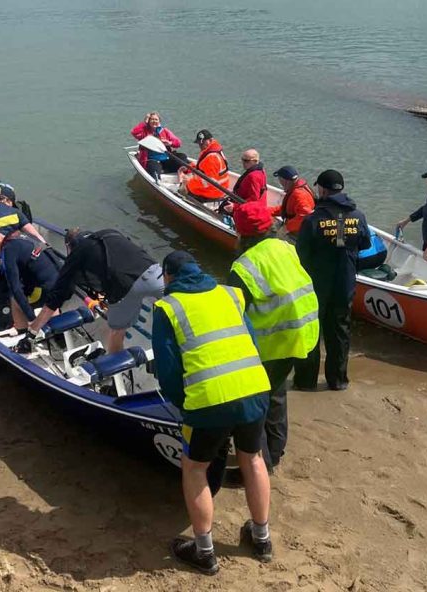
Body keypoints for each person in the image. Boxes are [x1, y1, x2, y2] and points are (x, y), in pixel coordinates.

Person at [152, 250, 273, 574]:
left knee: (195, 468)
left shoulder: (167, 307)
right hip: (254, 387)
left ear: (168, 276)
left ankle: (204, 551)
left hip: (208, 399)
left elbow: (167, 371)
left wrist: (185, 406)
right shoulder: (230, 295)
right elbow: (251, 341)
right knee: (253, 458)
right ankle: (261, 538)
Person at [227, 200, 319, 470]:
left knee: (255, 403)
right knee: (277, 393)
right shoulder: (284, 246)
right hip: (304, 332)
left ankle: (260, 464)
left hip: (272, 342)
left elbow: (236, 311)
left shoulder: (243, 266)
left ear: (241, 233)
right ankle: (276, 451)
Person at [30, 228, 163, 354]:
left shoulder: (78, 253)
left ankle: (115, 367)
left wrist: (33, 331)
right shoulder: (110, 233)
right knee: (179, 307)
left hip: (125, 288)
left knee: (117, 332)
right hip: (154, 272)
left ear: (70, 246)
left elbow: (56, 296)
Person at [294, 170, 369, 391]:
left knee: (311, 331)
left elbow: (301, 254)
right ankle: (338, 381)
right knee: (339, 331)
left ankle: (306, 382)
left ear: (323, 190)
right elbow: (364, 244)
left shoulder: (313, 220)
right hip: (345, 283)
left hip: (317, 284)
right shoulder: (358, 216)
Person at [0, 229, 59, 332]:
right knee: (48, 296)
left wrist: (32, 319)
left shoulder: (7, 251)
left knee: (14, 299)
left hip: (45, 290)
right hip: (59, 283)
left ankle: (23, 332)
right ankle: (58, 333)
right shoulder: (19, 235)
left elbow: (16, 289)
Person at [131, 112, 185, 180]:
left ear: (159, 121)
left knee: (182, 156)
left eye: (156, 119)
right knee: (154, 169)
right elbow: (134, 132)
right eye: (152, 119)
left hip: (166, 159)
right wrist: (145, 122)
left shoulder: (164, 131)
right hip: (152, 160)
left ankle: (184, 174)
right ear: (148, 121)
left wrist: (169, 143)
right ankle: (157, 181)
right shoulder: (144, 132)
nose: (154, 121)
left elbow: (178, 143)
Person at [179, 130, 229, 201]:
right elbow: (202, 165)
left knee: (183, 186)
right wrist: (189, 167)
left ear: (211, 140)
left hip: (212, 192)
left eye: (202, 143)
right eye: (199, 143)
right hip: (222, 188)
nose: (200, 146)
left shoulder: (211, 157)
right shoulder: (214, 150)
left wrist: (188, 182)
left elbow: (210, 182)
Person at [270, 166, 315, 235]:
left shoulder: (298, 194)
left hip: (298, 232)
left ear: (285, 181)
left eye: (279, 179)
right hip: (295, 226)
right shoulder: (298, 188)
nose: (279, 182)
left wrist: (286, 228)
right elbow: (287, 209)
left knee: (271, 233)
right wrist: (268, 211)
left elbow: (305, 215)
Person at [220, 149, 266, 215]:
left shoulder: (253, 176)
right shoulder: (261, 171)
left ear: (255, 161)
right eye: (242, 160)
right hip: (242, 200)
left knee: (222, 209)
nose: (243, 163)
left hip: (246, 208)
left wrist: (235, 207)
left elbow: (254, 199)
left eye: (246, 161)